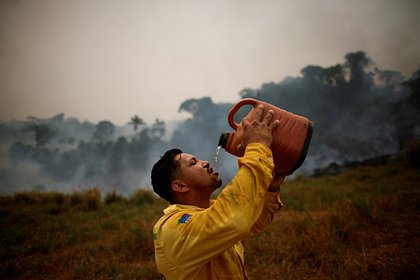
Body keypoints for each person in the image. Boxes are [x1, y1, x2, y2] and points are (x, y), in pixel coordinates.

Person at [151, 105, 285, 279]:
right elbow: (235, 218)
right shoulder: (173, 228)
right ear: (180, 186)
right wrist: (257, 146)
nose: (205, 162)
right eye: (194, 163)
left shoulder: (209, 212)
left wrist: (271, 187)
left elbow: (252, 219)